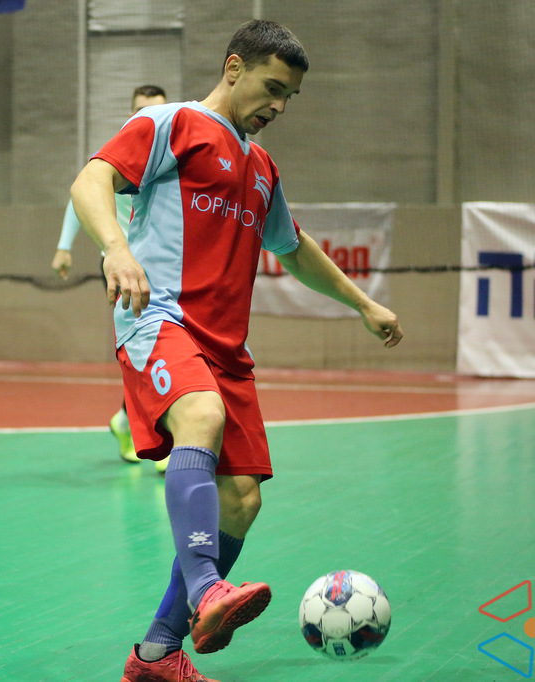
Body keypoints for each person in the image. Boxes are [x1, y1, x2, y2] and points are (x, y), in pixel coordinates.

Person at [70, 20, 403, 682]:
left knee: (243, 501)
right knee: (201, 415)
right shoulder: (171, 123)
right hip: (159, 318)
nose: (279, 106)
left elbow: (293, 248)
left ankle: (156, 655)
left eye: (289, 97)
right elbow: (90, 181)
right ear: (233, 68)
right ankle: (206, 589)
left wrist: (362, 303)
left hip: (226, 347)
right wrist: (116, 248)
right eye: (272, 88)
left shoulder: (261, 167)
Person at [52, 85, 168, 470]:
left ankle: (126, 420)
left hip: (165, 268)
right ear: (130, 114)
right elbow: (82, 195)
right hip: (123, 269)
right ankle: (161, 437)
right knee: (150, 349)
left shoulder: (171, 154)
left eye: (157, 110)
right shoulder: (118, 153)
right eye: (142, 110)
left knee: (161, 349)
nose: (149, 117)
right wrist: (64, 247)